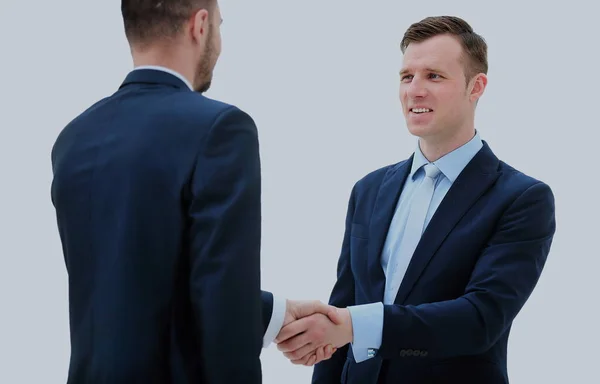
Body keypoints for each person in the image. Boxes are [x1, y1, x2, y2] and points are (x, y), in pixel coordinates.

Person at [49, 1, 336, 383]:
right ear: (200, 25)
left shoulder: (73, 137)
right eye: (219, 23)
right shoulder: (220, 128)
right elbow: (222, 305)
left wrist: (273, 313)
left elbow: (133, 284)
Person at [275, 15, 556, 383]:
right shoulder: (369, 190)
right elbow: (344, 308)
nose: (415, 90)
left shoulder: (522, 199)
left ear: (477, 87)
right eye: (407, 76)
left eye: (434, 76)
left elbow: (480, 319)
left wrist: (355, 325)